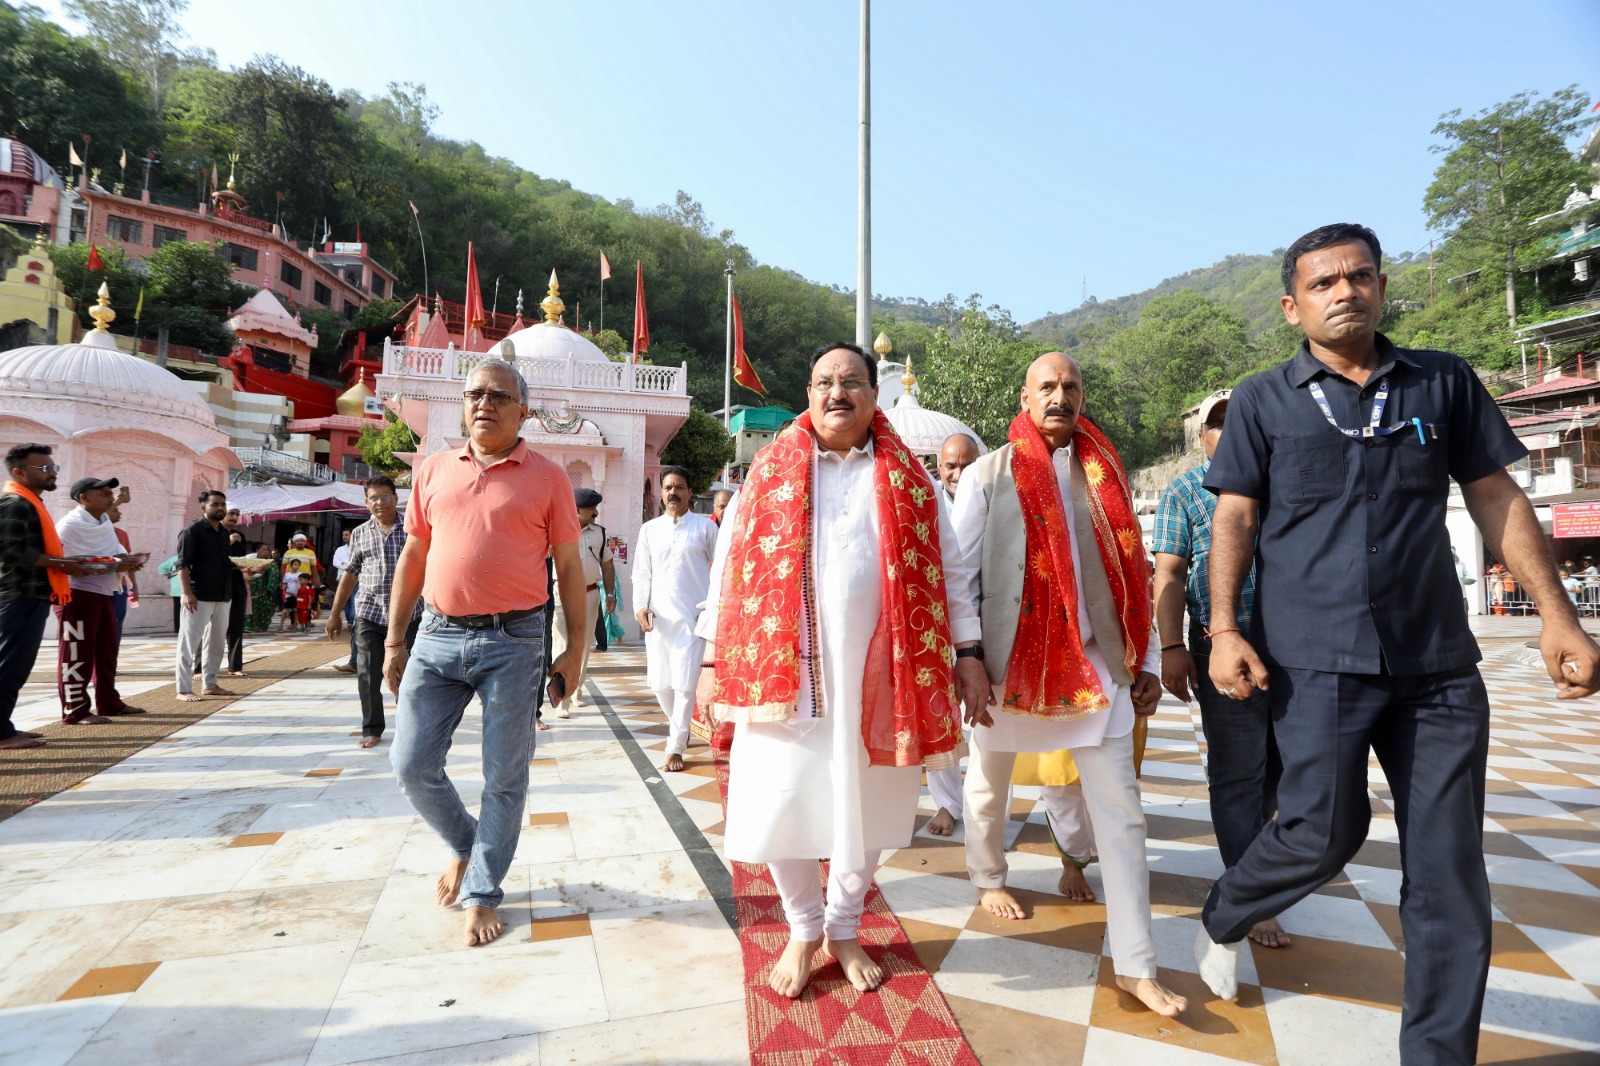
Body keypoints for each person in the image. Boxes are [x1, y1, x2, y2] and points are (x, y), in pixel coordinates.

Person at [1193, 223, 1600, 1064]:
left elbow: (1496, 496)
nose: (1346, 292)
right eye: (1325, 283)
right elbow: (1233, 516)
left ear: (1382, 286)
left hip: (1437, 666)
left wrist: (1558, 615)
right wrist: (1224, 630)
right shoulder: (1263, 399)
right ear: (1291, 305)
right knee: (1321, 833)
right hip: (1315, 661)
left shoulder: (1441, 382)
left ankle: (1438, 1054)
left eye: (1360, 277)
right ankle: (1229, 909)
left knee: (1449, 873)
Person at [694, 342, 977, 998]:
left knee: (872, 806)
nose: (837, 393)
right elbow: (730, 568)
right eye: (825, 381)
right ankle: (802, 927)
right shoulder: (766, 471)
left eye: (852, 382)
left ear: (875, 397)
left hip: (885, 679)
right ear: (809, 392)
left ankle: (844, 926)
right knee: (780, 802)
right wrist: (710, 659)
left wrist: (967, 655)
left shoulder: (914, 481)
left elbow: (953, 575)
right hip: (782, 676)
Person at [950, 351, 1187, 1018]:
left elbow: (1133, 577)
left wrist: (1141, 665)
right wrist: (967, 656)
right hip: (1007, 667)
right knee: (987, 784)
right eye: (1047, 386)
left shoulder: (1102, 472)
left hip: (1096, 670)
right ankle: (987, 875)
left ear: (1083, 396)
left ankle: (1136, 965)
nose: (1060, 396)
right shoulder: (989, 475)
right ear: (1025, 399)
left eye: (1071, 386)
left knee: (1124, 815)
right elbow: (959, 576)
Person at [385, 358, 587, 948]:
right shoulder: (434, 470)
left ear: (523, 409)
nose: (484, 404)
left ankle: (482, 891)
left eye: (499, 395)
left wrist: (575, 649)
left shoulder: (548, 477)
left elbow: (570, 567)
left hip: (515, 641)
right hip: (436, 635)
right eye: (475, 393)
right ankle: (466, 845)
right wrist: (396, 639)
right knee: (411, 765)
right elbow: (414, 558)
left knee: (504, 776)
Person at [1151, 391, 1286, 949]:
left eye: (1241, 422)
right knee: (1237, 774)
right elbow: (1170, 574)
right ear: (1201, 436)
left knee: (1283, 772)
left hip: (1295, 652)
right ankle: (1249, 895)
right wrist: (1171, 646)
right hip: (1223, 651)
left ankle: (1258, 868)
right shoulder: (1186, 491)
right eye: (1218, 424)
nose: (1229, 432)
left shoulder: (1281, 479)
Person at [0, 444, 93, 750]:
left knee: (17, 665)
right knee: (8, 664)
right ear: (19, 472)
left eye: (54, 468)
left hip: (32, 594)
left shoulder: (29, 502)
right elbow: (10, 550)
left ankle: (5, 726)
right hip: (19, 594)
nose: (52, 473)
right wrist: (60, 564)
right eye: (45, 469)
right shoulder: (15, 503)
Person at [327, 476, 420, 748]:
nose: (380, 502)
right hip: (369, 613)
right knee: (367, 673)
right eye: (374, 498)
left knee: (409, 674)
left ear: (396, 498)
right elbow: (350, 574)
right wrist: (334, 614)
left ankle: (410, 727)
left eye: (386, 496)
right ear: (366, 502)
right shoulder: (359, 533)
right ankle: (372, 728)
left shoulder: (414, 528)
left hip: (410, 615)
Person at [634, 467, 717, 769]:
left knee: (685, 685)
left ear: (689, 492)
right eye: (668, 487)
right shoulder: (650, 530)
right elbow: (641, 572)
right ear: (662, 493)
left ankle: (675, 747)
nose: (673, 493)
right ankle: (679, 728)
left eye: (679, 487)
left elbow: (720, 570)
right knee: (660, 685)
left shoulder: (705, 528)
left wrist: (711, 611)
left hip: (692, 620)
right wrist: (640, 606)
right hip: (658, 622)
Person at [926, 431, 982, 837]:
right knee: (939, 715)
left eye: (967, 465)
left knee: (985, 720)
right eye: (951, 466)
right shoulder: (923, 502)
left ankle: (983, 805)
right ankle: (946, 803)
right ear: (938, 467)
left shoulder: (997, 499)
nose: (959, 473)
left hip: (984, 629)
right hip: (931, 628)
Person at [54, 476, 145, 724]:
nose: (110, 498)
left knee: (107, 649)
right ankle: (75, 710)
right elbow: (71, 563)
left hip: (104, 591)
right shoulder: (70, 525)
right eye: (104, 493)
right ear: (84, 498)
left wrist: (127, 562)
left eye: (109, 493)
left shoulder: (103, 520)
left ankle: (109, 702)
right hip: (76, 593)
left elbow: (111, 553)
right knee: (77, 652)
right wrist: (115, 563)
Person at [550, 487, 615, 718]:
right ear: (576, 510)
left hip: (589, 595)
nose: (596, 512)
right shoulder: (556, 531)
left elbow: (607, 564)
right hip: (561, 594)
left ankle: (577, 691)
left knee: (584, 646)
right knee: (561, 644)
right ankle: (562, 700)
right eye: (591, 508)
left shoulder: (600, 533)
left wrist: (609, 594)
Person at [175, 490, 235, 702]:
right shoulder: (192, 532)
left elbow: (221, 563)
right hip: (198, 595)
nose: (221, 508)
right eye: (215, 505)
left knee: (217, 642)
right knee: (189, 642)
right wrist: (186, 593)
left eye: (223, 504)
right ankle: (183, 689)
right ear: (203, 508)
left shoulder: (222, 532)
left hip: (222, 595)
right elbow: (182, 564)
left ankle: (210, 684)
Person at [221, 507, 250, 676]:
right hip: (217, 587)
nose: (234, 517)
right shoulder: (213, 535)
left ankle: (235, 667)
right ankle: (199, 668)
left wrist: (250, 567)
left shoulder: (239, 536)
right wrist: (229, 542)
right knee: (210, 630)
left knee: (236, 628)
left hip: (237, 586)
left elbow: (239, 561)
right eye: (231, 513)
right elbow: (213, 558)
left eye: (237, 515)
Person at [107, 498, 137, 635]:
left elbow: (129, 563)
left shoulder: (122, 534)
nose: (119, 513)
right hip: (101, 585)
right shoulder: (93, 532)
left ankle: (113, 654)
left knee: (117, 622)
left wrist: (134, 587)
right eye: (115, 510)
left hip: (121, 586)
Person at [331, 528, 357, 673]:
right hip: (343, 578)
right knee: (347, 604)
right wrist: (334, 616)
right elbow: (337, 562)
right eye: (344, 535)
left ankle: (352, 621)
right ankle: (354, 663)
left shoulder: (359, 544)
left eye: (347, 534)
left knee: (355, 604)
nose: (345, 537)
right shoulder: (340, 550)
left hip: (361, 581)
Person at [936, 431, 980, 509]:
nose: (958, 476)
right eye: (951, 467)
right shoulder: (927, 500)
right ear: (940, 466)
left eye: (967, 467)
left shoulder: (992, 499)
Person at [246, 544, 279, 632]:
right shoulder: (251, 560)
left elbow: (274, 574)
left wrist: (269, 588)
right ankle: (248, 626)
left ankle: (260, 626)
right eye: (263, 549)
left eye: (266, 550)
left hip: (263, 589)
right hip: (251, 588)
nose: (265, 552)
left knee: (261, 607)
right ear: (258, 550)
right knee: (250, 606)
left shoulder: (271, 562)